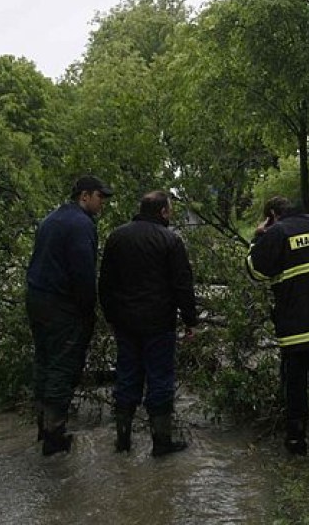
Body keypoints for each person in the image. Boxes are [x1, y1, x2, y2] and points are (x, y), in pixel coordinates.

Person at [246, 196, 309, 458]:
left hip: (296, 326)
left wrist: (258, 237)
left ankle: (296, 441)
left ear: (271, 215)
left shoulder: (277, 234)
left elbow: (255, 272)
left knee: (295, 383)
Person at [99, 190, 199, 457]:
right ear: (163, 212)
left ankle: (122, 442)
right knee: (160, 379)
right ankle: (161, 443)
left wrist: (110, 317)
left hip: (125, 322)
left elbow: (105, 283)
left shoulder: (116, 237)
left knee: (127, 377)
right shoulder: (171, 240)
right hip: (159, 323)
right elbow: (182, 284)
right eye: (170, 211)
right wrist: (191, 321)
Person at [26, 175, 113, 456]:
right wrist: (89, 312)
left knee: (44, 360)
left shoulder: (51, 218)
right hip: (62, 306)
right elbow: (83, 274)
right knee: (63, 367)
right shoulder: (80, 225)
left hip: (37, 299)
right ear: (85, 196)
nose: (102, 203)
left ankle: (43, 426)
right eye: (100, 197)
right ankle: (54, 437)